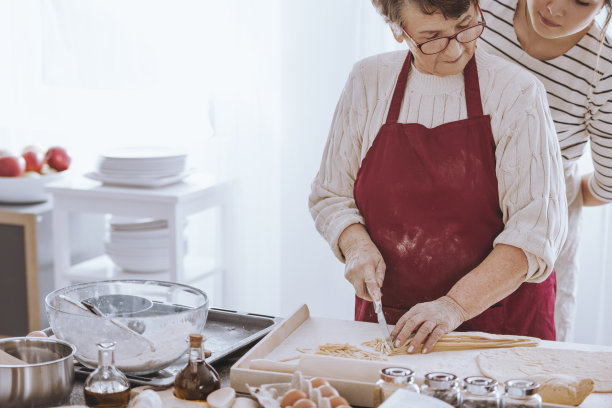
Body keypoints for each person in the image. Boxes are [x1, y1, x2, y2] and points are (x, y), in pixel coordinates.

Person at [309, 0, 568, 353]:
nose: (455, 49)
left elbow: (536, 232)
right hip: (393, 322)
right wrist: (355, 245)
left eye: (465, 26)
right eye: (432, 38)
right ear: (398, 32)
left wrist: (454, 305)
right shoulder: (368, 81)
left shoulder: (516, 91)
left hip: (498, 325)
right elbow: (330, 194)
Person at [478, 0, 612, 342]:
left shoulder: (604, 67)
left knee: (526, 360)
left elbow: (608, 183)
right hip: (451, 196)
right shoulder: (483, 8)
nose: (555, 7)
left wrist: (559, 192)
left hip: (539, 227)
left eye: (581, 0)